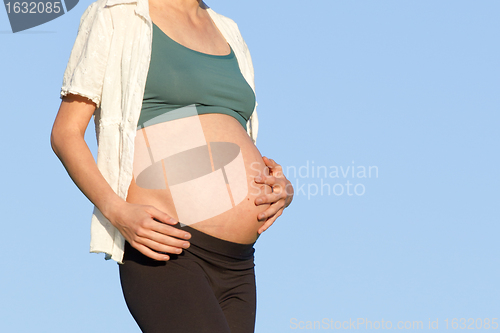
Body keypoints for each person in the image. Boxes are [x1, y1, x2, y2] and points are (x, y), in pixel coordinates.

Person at [50, 0, 294, 331]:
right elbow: (65, 133)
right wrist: (117, 211)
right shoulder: (118, 14)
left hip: (238, 265)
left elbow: (228, 131)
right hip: (166, 245)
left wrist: (276, 187)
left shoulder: (228, 30)